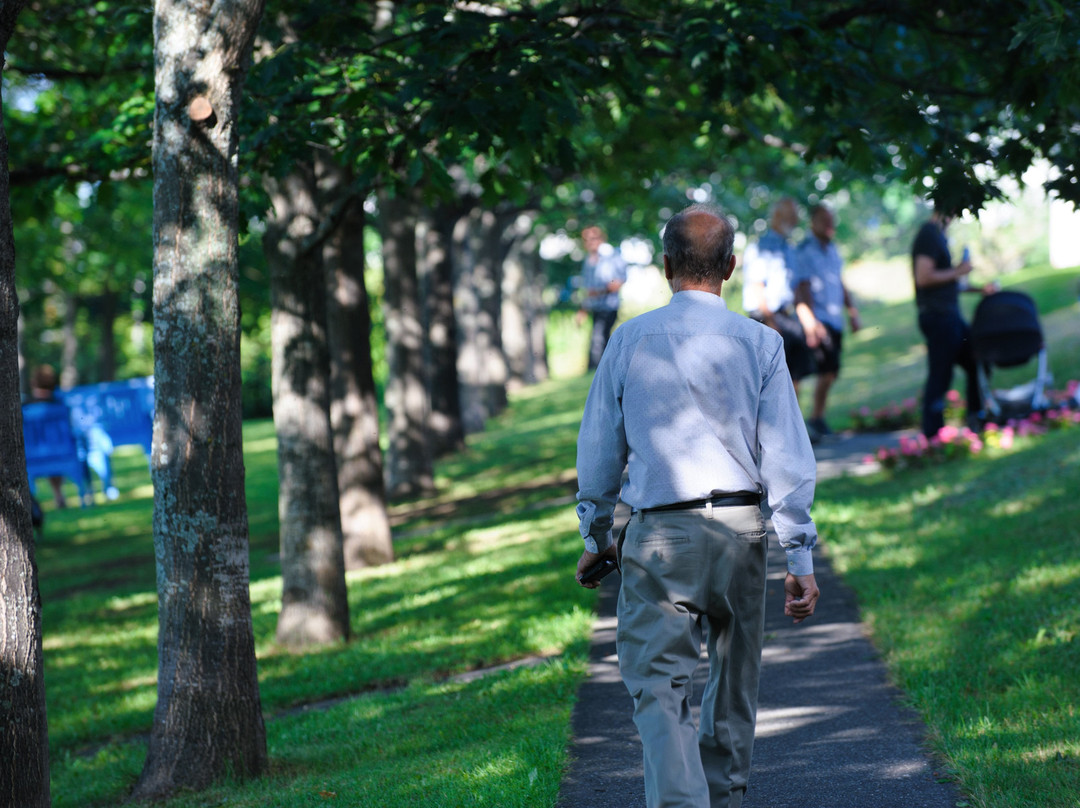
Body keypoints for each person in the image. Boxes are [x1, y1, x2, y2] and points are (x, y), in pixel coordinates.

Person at [574, 203, 820, 808]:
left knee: (658, 688)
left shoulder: (630, 340)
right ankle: (724, 797)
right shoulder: (761, 343)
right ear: (731, 266)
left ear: (664, 267)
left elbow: (601, 451)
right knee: (735, 682)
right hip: (741, 531)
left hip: (658, 536)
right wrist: (800, 556)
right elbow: (786, 455)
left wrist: (596, 535)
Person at [911, 210, 997, 437]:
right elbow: (924, 277)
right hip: (938, 316)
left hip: (950, 316)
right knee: (940, 374)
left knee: (978, 359)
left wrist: (979, 289)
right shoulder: (928, 234)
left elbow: (947, 281)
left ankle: (976, 419)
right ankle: (932, 434)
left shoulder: (939, 235)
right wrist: (959, 270)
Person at [794, 204, 861, 440]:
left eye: (831, 219)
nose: (829, 224)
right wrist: (811, 322)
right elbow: (801, 288)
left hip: (835, 319)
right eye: (824, 220)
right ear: (813, 222)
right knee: (820, 370)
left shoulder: (833, 250)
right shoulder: (804, 250)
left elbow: (839, 282)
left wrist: (852, 311)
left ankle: (817, 418)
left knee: (832, 371)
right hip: (819, 320)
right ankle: (808, 421)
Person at [741, 198, 815, 392]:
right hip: (766, 318)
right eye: (792, 216)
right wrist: (772, 325)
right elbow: (757, 289)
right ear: (778, 217)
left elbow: (796, 289)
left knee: (795, 376)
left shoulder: (789, 248)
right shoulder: (762, 246)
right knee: (773, 383)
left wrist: (809, 323)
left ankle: (792, 421)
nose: (795, 221)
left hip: (785, 317)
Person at [577, 225, 628, 370]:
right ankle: (598, 371)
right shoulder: (588, 261)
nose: (590, 242)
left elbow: (618, 282)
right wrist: (583, 309)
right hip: (595, 307)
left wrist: (599, 292)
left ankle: (601, 370)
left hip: (609, 307)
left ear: (601, 239)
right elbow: (587, 290)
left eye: (593, 238)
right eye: (586, 239)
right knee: (597, 339)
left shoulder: (612, 256)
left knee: (600, 340)